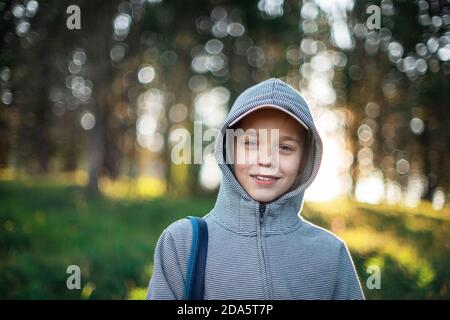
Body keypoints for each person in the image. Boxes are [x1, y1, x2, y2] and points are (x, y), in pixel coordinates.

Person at [147, 78, 365, 300]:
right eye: (250, 143)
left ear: (305, 160)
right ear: (228, 149)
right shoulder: (182, 242)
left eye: (285, 147)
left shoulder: (330, 254)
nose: (266, 160)